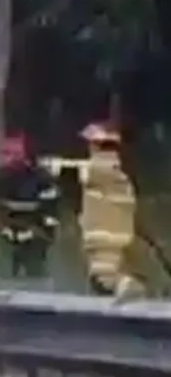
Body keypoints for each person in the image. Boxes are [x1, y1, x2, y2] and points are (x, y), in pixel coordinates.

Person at [0, 132, 61, 281]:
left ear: (25, 156)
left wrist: (43, 228)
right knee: (5, 270)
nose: (8, 158)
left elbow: (51, 211)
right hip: (7, 232)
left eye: (13, 153)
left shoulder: (42, 182)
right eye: (5, 153)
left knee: (35, 271)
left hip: (35, 235)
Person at [66, 121, 144, 297]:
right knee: (105, 277)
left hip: (103, 239)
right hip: (114, 236)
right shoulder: (120, 175)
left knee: (105, 278)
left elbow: (78, 171)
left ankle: (131, 289)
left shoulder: (100, 169)